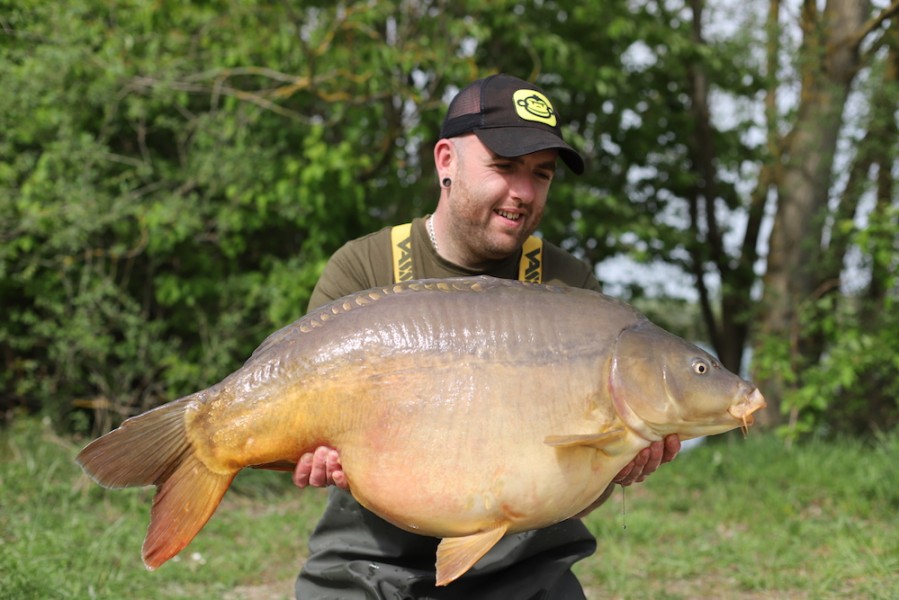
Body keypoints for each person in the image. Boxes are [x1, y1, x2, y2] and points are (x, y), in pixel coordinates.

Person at [292, 73, 681, 600]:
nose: (522, 193)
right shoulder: (365, 270)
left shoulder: (570, 289)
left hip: (525, 571)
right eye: (503, 167)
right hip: (369, 566)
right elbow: (308, 436)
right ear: (446, 160)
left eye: (541, 175)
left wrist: (612, 467)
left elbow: (569, 482)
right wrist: (308, 453)